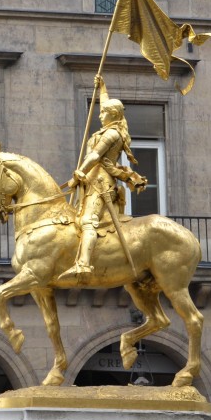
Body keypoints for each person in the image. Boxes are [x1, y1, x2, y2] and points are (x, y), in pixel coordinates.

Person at [61, 75, 146, 280]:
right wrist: (102, 87)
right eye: (102, 112)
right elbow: (103, 106)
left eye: (105, 113)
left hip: (101, 182)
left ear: (113, 115)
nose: (100, 116)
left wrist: (80, 170)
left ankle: (83, 264)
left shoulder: (112, 134)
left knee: (88, 221)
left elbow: (96, 155)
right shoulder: (108, 127)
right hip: (90, 180)